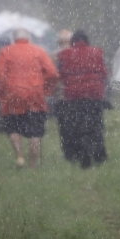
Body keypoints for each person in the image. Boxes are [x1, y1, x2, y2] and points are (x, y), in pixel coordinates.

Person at [0, 28, 59, 168]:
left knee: (13, 127)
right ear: (29, 38)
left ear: (13, 38)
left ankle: (19, 157)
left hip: (12, 92)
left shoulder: (5, 52)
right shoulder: (38, 51)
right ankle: (33, 164)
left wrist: (0, 92)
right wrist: (46, 89)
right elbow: (53, 73)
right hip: (35, 92)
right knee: (35, 129)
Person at [57, 30, 108, 168]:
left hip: (73, 96)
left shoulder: (64, 55)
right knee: (95, 125)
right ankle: (98, 155)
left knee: (76, 126)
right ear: (87, 40)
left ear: (72, 41)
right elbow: (103, 72)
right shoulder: (96, 52)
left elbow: (60, 75)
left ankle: (82, 155)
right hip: (94, 95)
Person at [52, 29, 74, 162]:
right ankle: (78, 150)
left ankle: (68, 152)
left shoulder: (53, 56)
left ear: (58, 42)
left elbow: (50, 75)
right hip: (76, 95)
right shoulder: (78, 54)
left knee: (64, 126)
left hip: (60, 95)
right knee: (76, 124)